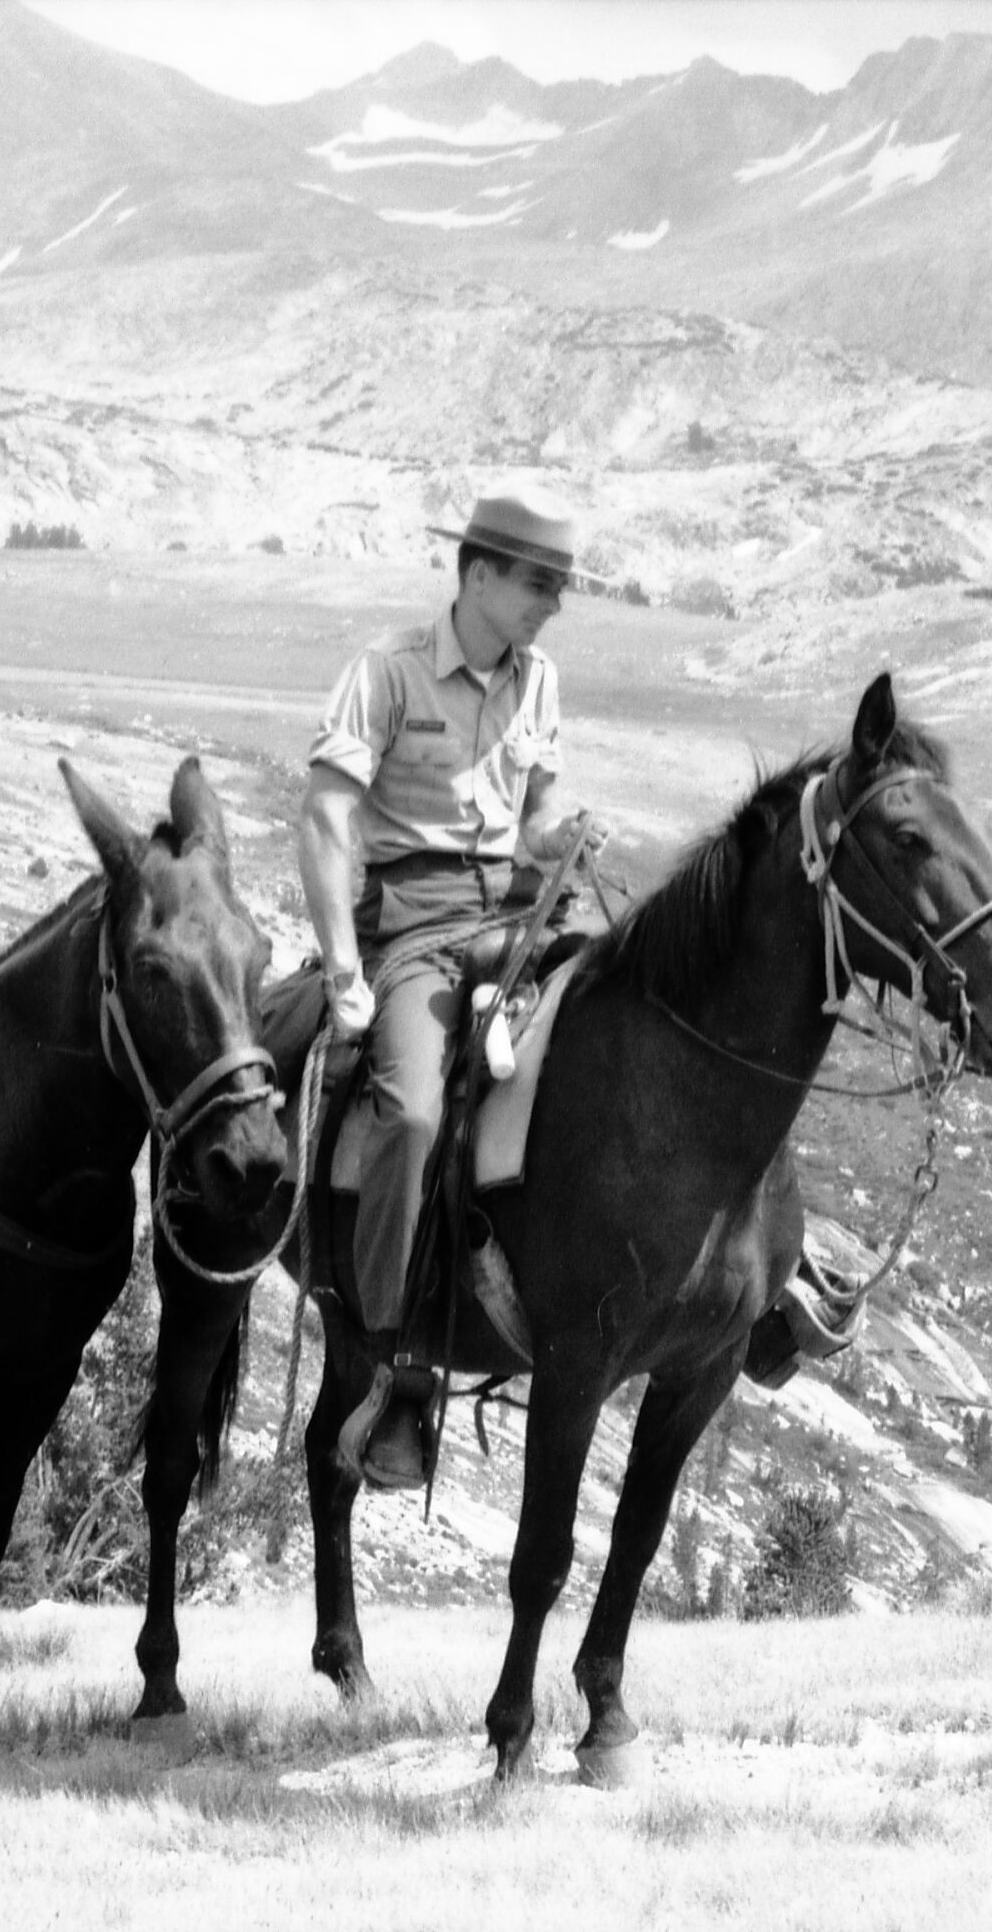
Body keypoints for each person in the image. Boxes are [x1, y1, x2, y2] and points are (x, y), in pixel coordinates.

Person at [298, 489, 610, 1489]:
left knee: (642, 1031)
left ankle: (750, 1289)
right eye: (537, 584)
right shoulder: (384, 675)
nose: (551, 604)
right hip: (420, 931)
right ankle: (394, 1357)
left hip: (522, 917)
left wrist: (560, 838)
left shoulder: (541, 681)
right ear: (478, 575)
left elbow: (539, 810)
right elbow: (326, 822)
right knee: (417, 1117)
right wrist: (344, 970)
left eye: (559, 587)